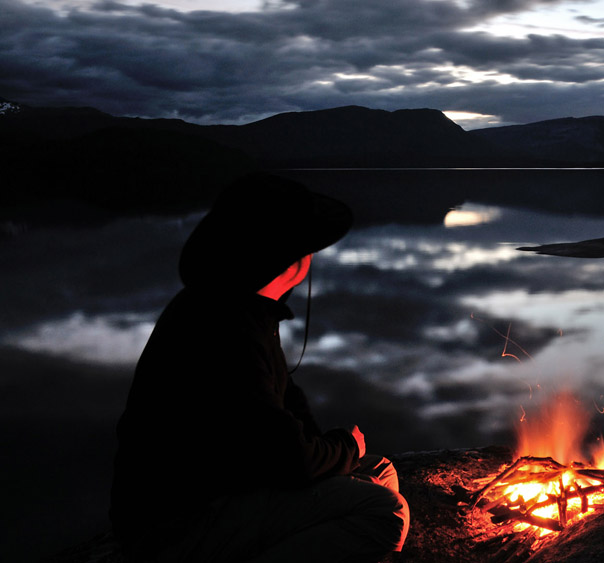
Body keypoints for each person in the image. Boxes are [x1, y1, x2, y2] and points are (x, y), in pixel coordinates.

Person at [110, 173, 408, 562]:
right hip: (180, 522)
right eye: (309, 248)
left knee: (379, 469)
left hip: (234, 482)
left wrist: (334, 453)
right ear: (287, 260)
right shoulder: (223, 328)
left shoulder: (245, 312)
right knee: (385, 510)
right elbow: (288, 459)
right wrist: (345, 447)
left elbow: (287, 413)